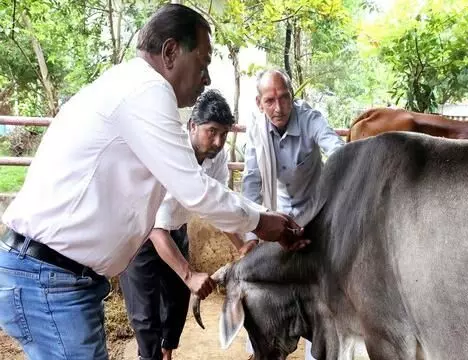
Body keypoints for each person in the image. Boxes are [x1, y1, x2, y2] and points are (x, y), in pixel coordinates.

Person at [0, 5, 307, 360]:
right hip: (51, 279)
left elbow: (206, 188)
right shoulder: (147, 91)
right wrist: (264, 222)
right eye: (203, 62)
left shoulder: (129, 86)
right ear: (171, 52)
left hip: (57, 277)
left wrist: (258, 221)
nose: (206, 78)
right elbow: (195, 190)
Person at [119, 89, 250, 360]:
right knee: (145, 317)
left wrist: (243, 246)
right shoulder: (169, 150)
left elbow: (218, 207)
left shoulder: (217, 156)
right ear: (192, 126)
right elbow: (156, 228)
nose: (217, 141)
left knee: (177, 305)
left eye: (224, 134)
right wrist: (189, 275)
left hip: (176, 231)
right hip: (140, 235)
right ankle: (150, 355)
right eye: (211, 131)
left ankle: (166, 354)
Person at [242, 69, 345, 359]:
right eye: (270, 100)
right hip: (277, 219)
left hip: (317, 218)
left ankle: (318, 352)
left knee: (319, 289)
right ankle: (262, 350)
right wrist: (251, 234)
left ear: (292, 96)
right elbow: (251, 182)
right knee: (271, 287)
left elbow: (335, 149)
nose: (278, 107)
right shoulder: (256, 131)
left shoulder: (311, 119)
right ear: (259, 103)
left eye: (284, 98)